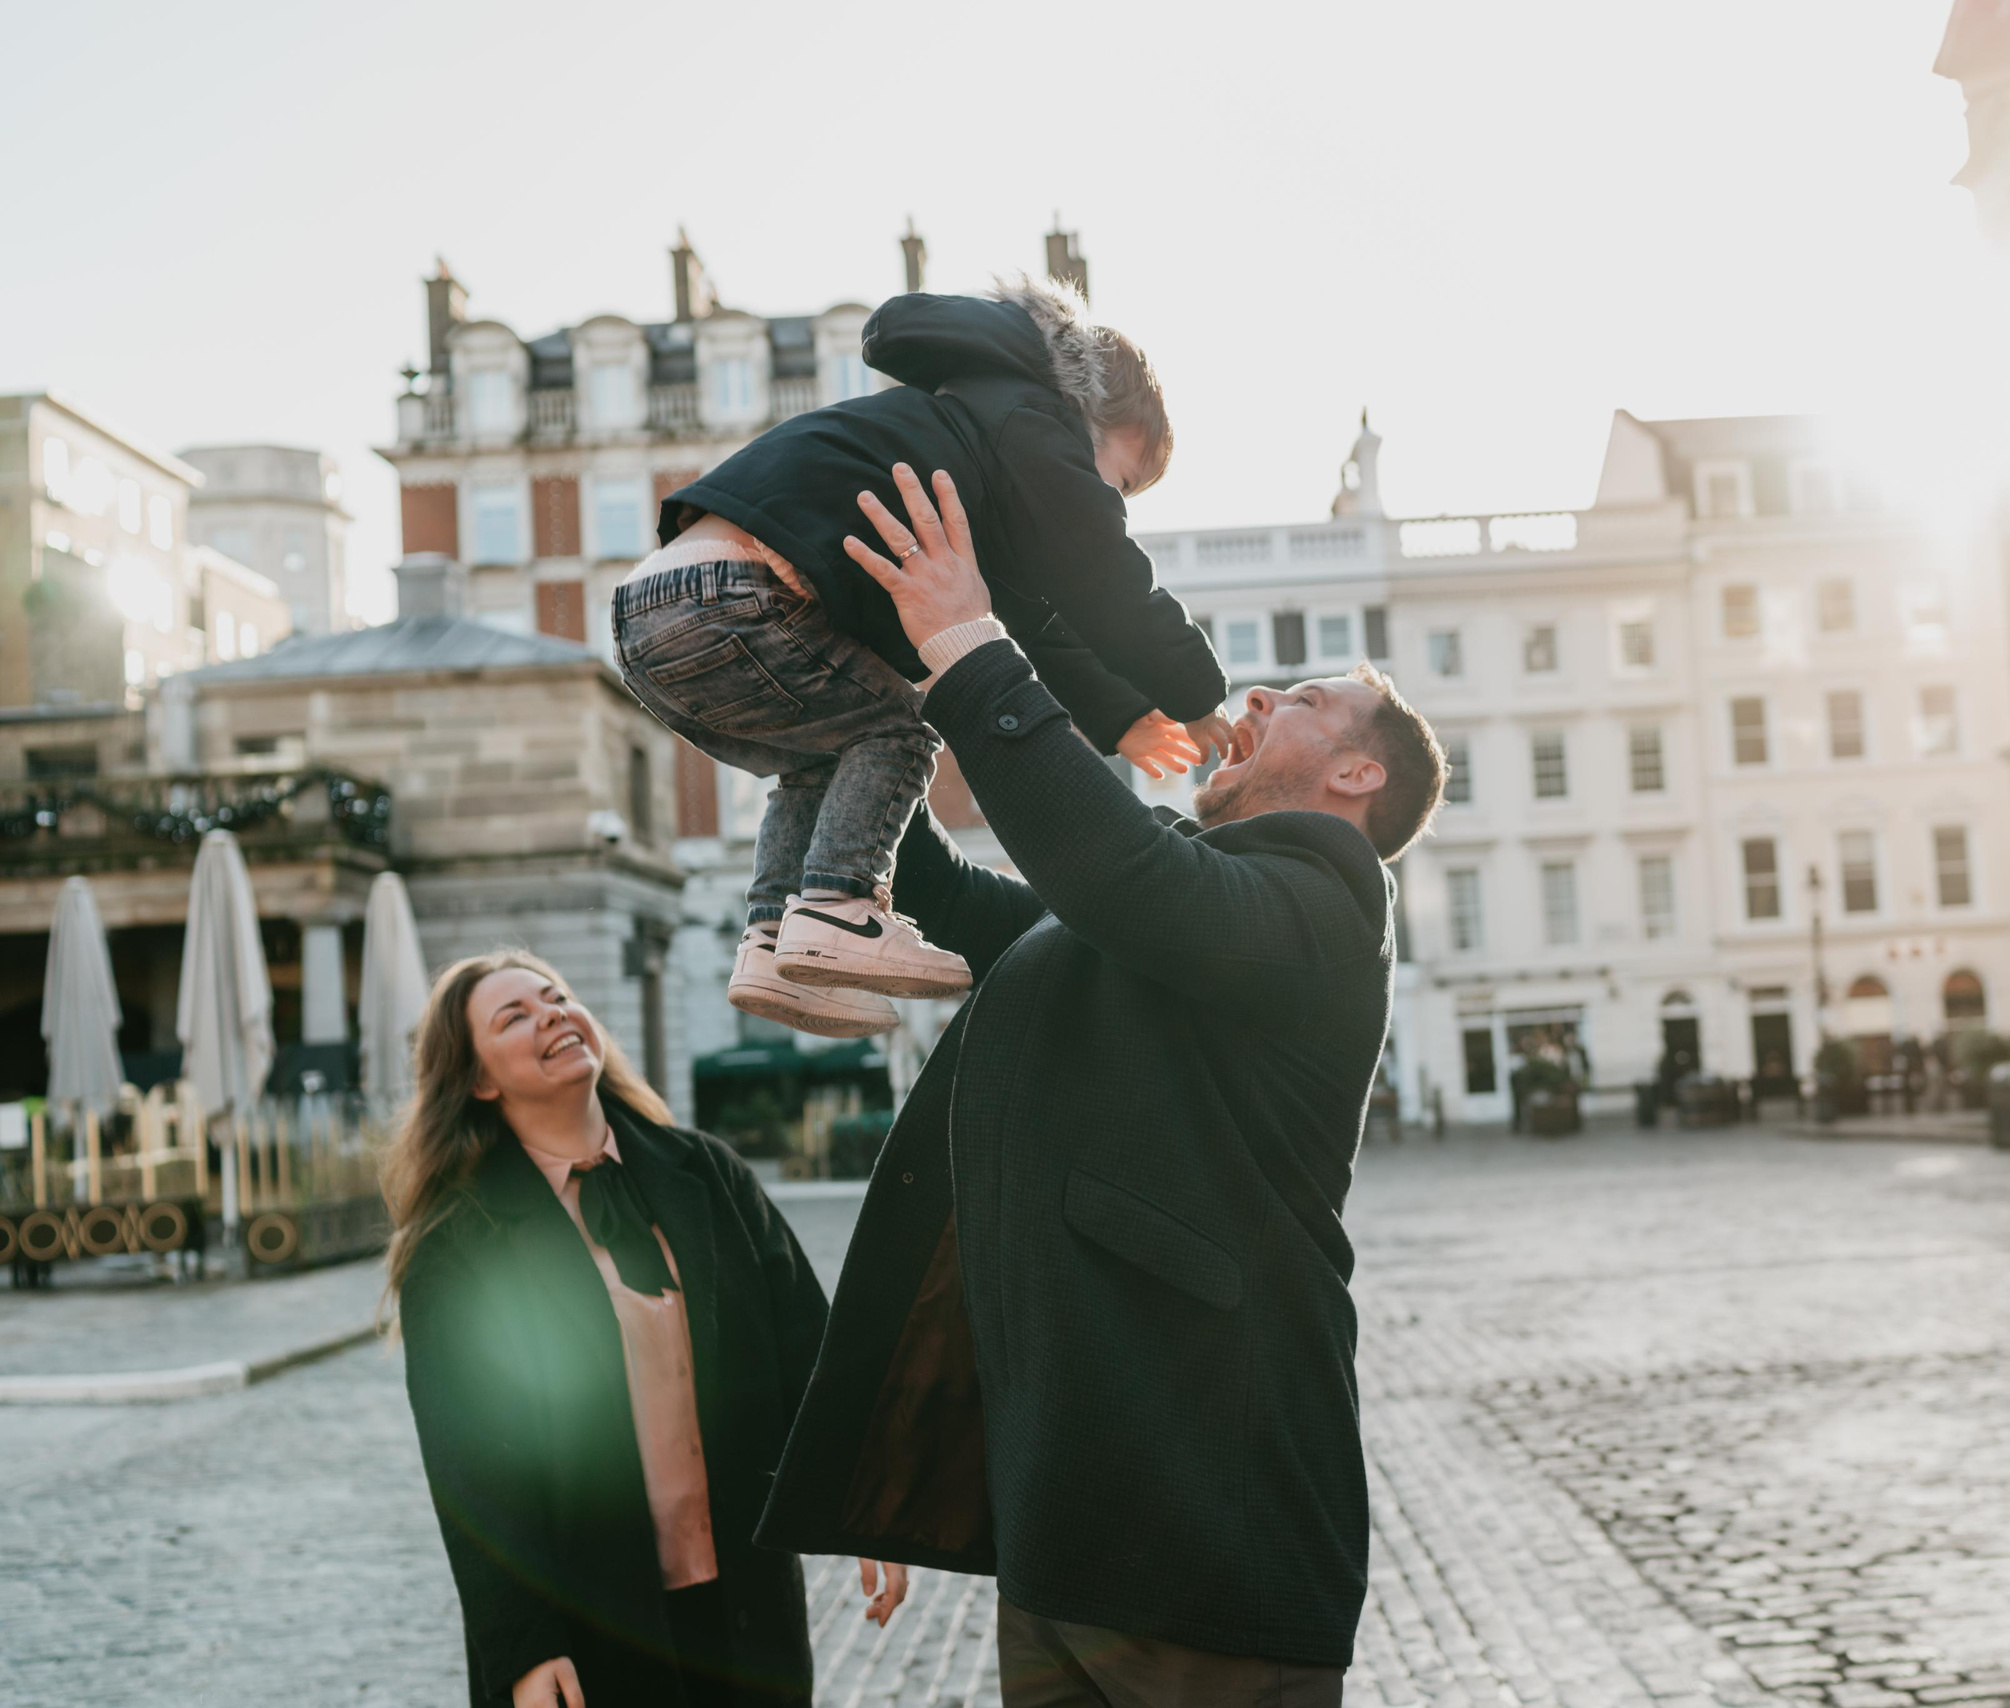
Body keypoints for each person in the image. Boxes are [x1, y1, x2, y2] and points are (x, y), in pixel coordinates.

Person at [754, 465, 1448, 1704]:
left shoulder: (1325, 902)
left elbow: (1116, 867)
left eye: (1302, 698)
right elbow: (945, 895)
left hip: (1211, 1532)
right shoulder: (1158, 908)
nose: (1259, 697)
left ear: (1355, 780)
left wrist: (971, 637)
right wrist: (843, 709)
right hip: (1064, 1537)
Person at [611, 279, 1231, 1043]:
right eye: (1125, 481)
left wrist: (1125, 714)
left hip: (651, 614)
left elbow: (1028, 616)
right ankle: (842, 907)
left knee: (822, 758)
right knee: (904, 729)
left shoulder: (974, 433)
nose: (1115, 501)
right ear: (1104, 416)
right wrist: (1198, 691)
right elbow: (1105, 578)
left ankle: (773, 942)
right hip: (738, 597)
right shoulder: (1036, 421)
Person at [385, 951, 830, 1708]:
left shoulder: (708, 1173)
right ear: (480, 1081)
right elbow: (470, 1470)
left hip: (746, 1611)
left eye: (557, 995)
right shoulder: (459, 1246)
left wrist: (863, 1510)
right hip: (587, 1629)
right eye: (514, 1016)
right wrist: (525, 1648)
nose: (552, 1013)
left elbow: (812, 1352)